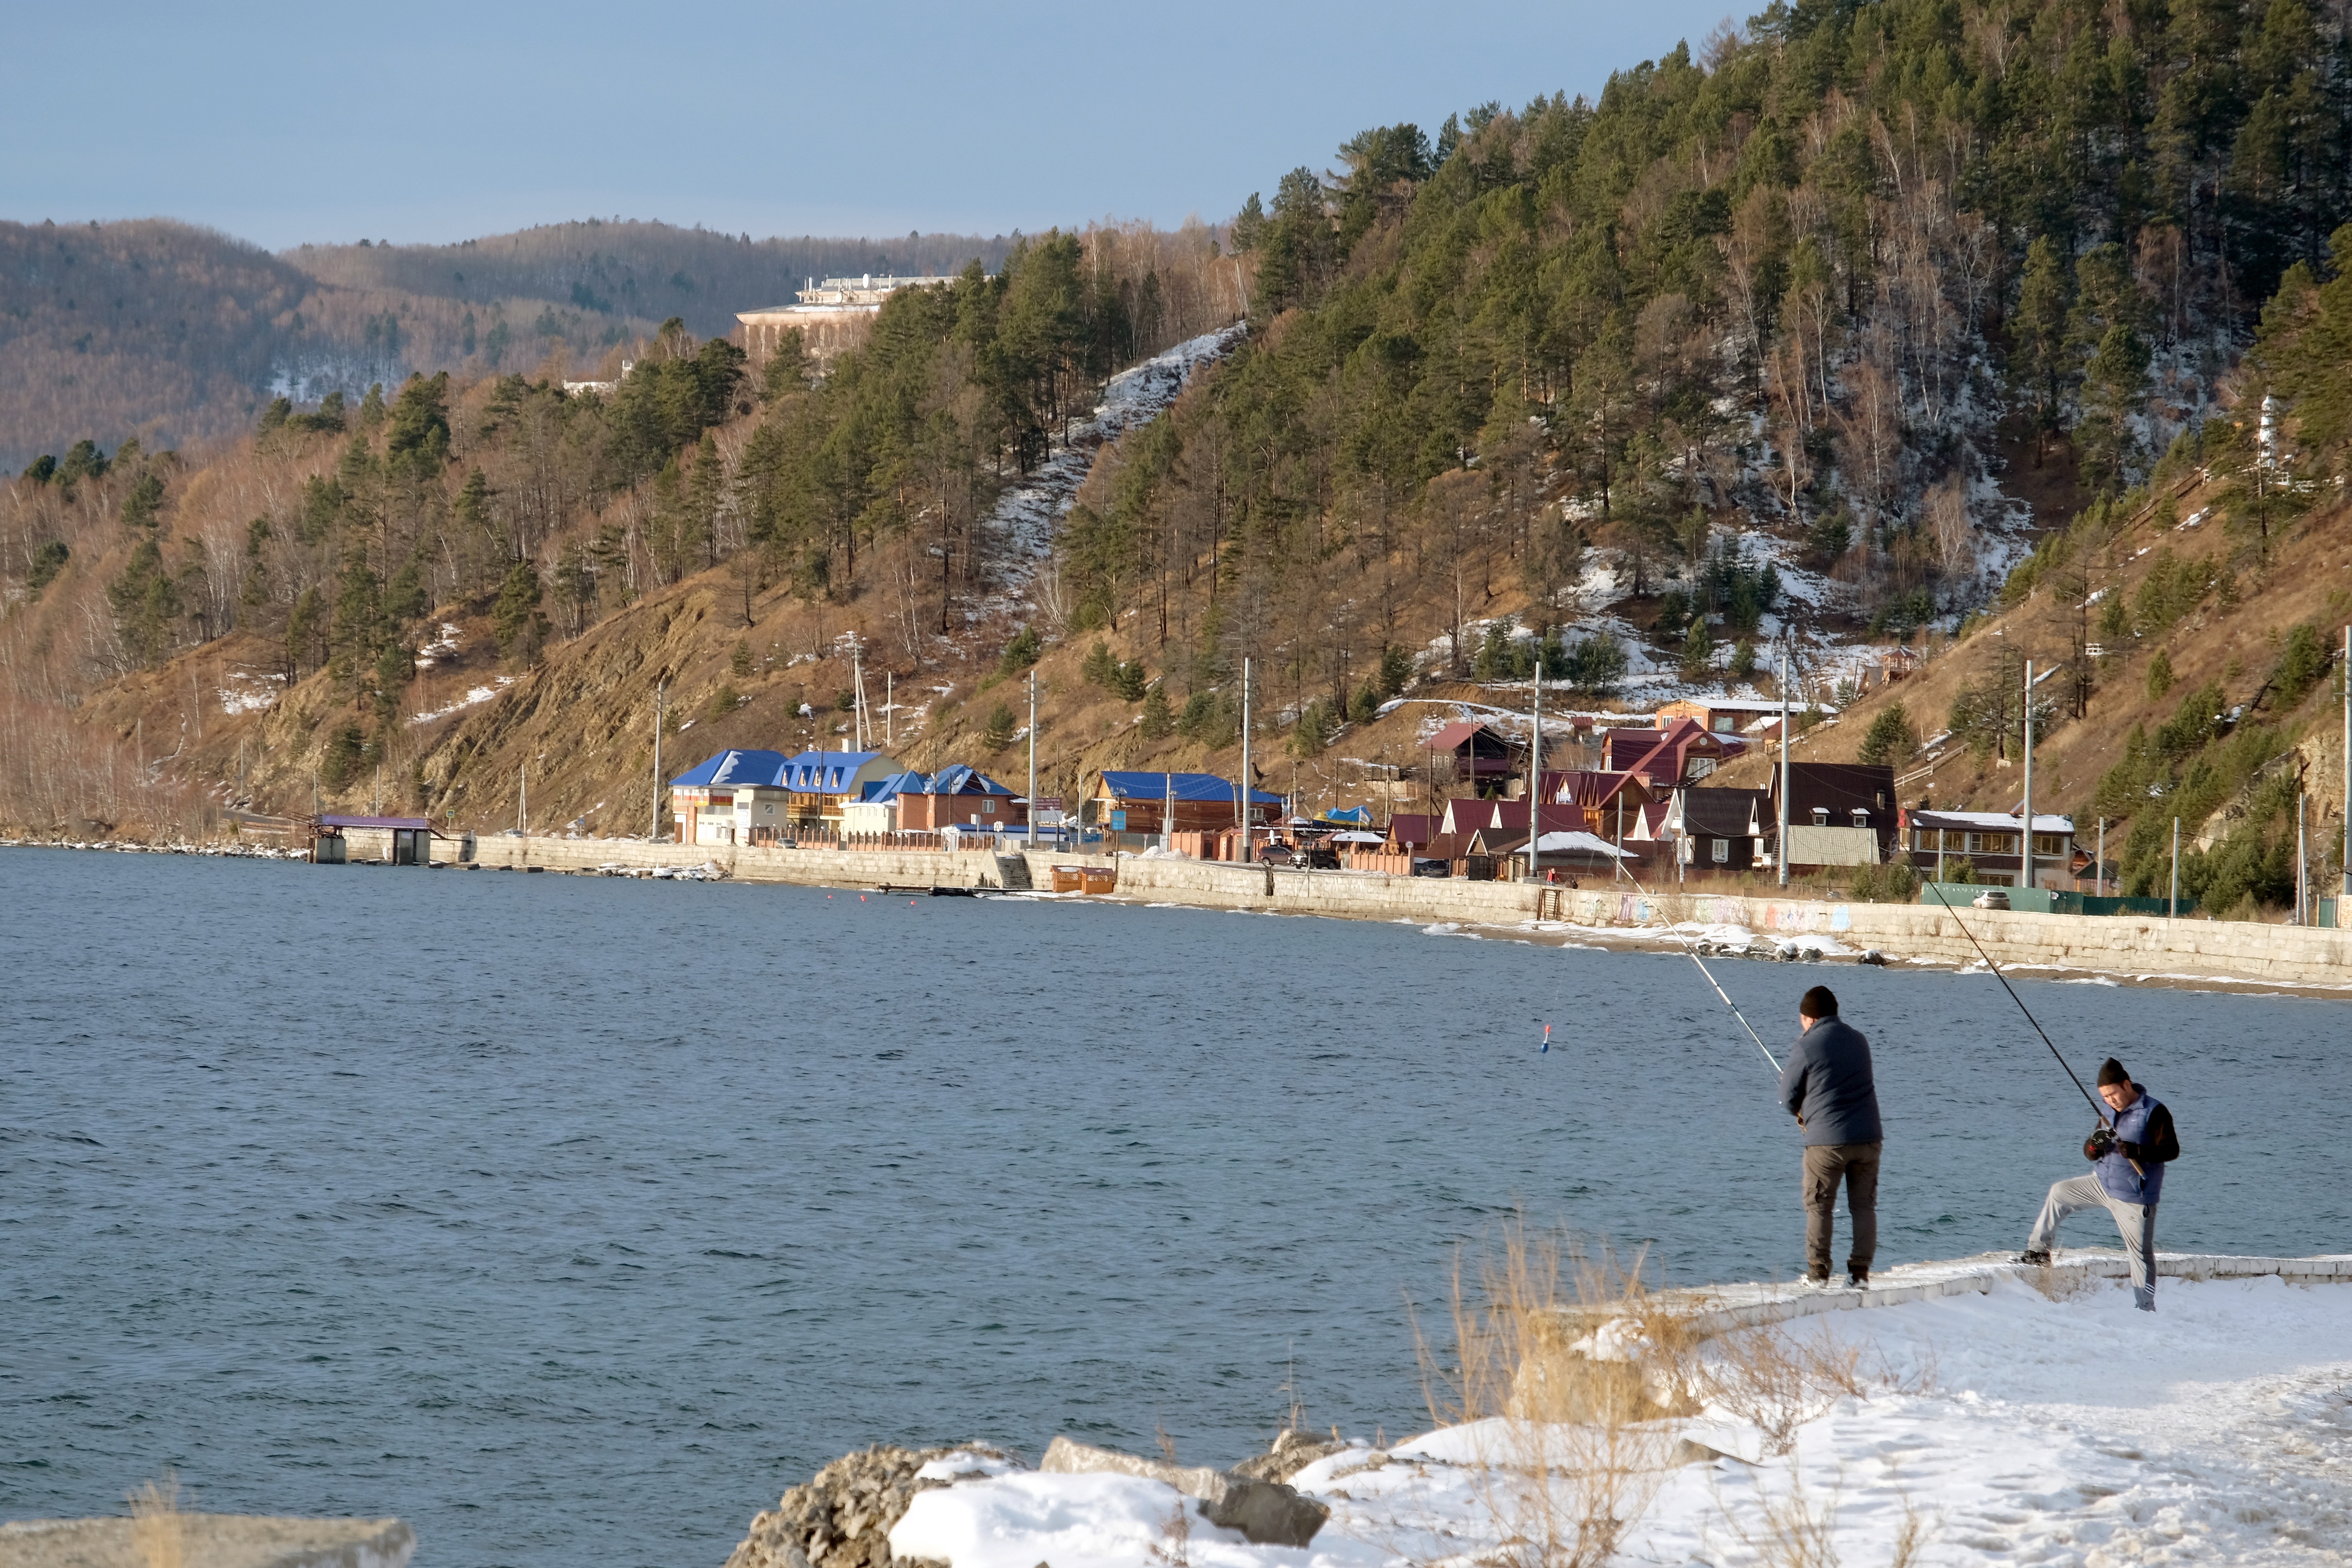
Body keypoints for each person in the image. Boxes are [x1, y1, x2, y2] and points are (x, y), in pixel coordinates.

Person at [2016, 1058, 2180, 1311]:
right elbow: (2090, 1152)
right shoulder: (2107, 1112)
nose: (2110, 1100)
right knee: (2059, 1192)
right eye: (2105, 1097)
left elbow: (2171, 1150)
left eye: (2113, 1094)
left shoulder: (2154, 1111)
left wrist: (2138, 1151)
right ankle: (2038, 1252)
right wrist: (2094, 1147)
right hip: (2101, 1184)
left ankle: (2145, 1308)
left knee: (2140, 1255)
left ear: (2126, 1085)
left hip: (2134, 1196)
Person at [1778, 984, 1883, 1290]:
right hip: (1869, 1138)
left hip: (1826, 1142)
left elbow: (1787, 1097)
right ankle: (1859, 1275)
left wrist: (1802, 1112)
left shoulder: (1806, 1045)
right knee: (1864, 1207)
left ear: (1810, 1018)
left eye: (1802, 1019)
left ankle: (1818, 1273)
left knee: (1820, 1205)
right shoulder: (1860, 1040)